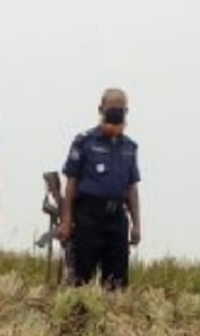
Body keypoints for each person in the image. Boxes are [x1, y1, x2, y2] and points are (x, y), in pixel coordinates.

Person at [57, 89, 143, 289]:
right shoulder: (84, 141)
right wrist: (67, 220)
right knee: (82, 278)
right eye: (112, 108)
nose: (116, 112)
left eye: (121, 109)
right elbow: (71, 183)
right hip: (88, 216)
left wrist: (136, 224)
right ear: (101, 109)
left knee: (117, 281)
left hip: (117, 218)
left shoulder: (130, 147)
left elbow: (132, 188)